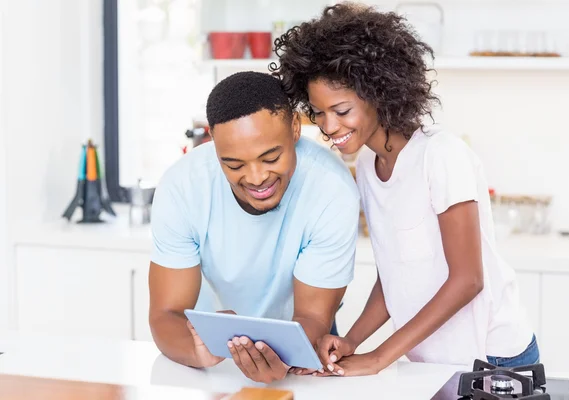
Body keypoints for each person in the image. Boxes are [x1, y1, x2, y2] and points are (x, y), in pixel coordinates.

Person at [271, 3, 539, 377]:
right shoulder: (367, 164)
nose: (329, 126)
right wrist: (352, 341)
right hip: (432, 362)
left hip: (492, 357)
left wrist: (380, 358)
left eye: (342, 110)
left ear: (378, 94)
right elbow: (397, 274)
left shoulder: (440, 155)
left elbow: (468, 280)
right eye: (318, 112)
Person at [148, 71, 360, 383]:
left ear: (295, 129)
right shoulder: (183, 186)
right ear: (214, 145)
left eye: (271, 157)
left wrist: (285, 359)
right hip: (212, 360)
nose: (257, 178)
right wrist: (198, 351)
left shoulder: (331, 189)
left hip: (303, 348)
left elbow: (314, 316)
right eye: (234, 165)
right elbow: (165, 315)